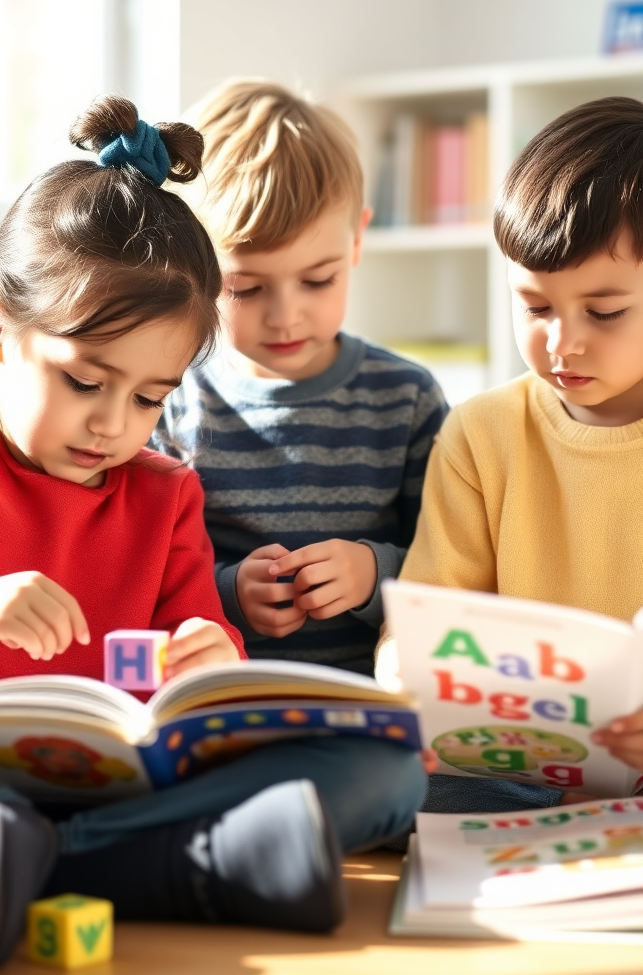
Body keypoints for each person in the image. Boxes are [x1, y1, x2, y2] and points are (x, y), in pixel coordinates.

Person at [0, 96, 426, 972]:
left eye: (151, 397)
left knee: (390, 773)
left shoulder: (164, 496)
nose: (114, 425)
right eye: (86, 380)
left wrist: (213, 658)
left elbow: (195, 656)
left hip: (109, 782)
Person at [379, 96, 643, 816]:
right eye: (536, 307)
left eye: (604, 313)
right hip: (522, 761)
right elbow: (421, 625)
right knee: (390, 773)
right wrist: (409, 692)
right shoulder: (479, 436)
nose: (563, 342)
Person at [152, 81, 448, 676]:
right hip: (222, 698)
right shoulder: (167, 398)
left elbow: (451, 566)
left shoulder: (406, 400)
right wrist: (230, 593)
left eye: (318, 280)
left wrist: (373, 573)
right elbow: (145, 573)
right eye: (246, 288)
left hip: (364, 701)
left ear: (358, 239)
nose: (286, 314)